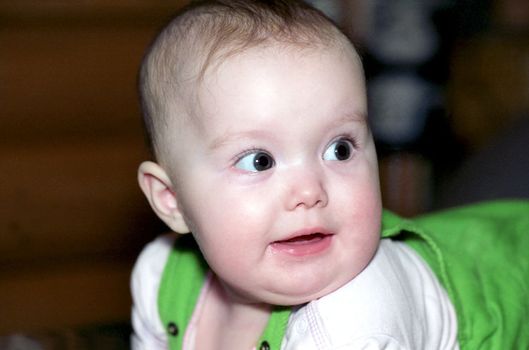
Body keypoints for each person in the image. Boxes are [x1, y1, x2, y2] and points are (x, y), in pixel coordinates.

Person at [131, 1, 529, 349]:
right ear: (171, 199)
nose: (309, 191)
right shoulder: (159, 274)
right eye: (259, 161)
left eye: (339, 149)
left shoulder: (353, 328)